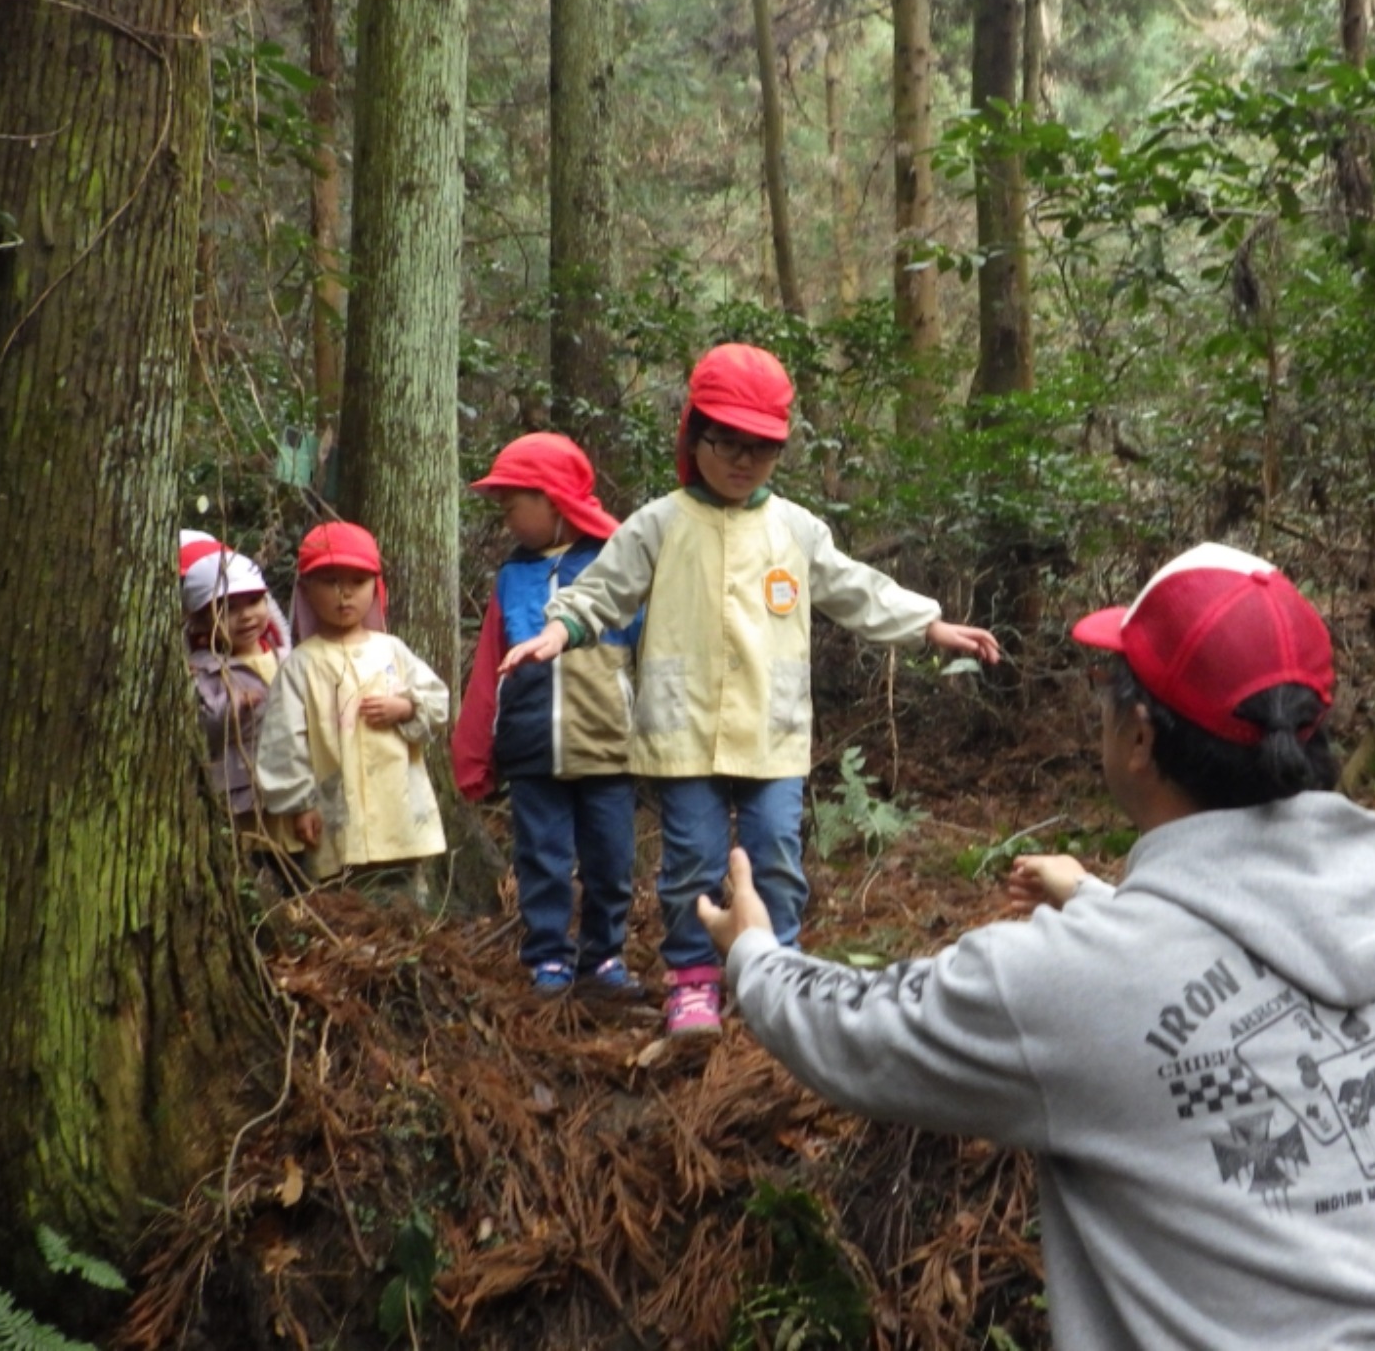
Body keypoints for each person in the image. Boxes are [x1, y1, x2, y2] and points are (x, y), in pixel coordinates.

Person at [698, 542, 1375, 1350]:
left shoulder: (1062, 984)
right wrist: (1096, 897)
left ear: (1141, 736)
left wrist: (754, 956)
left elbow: (859, 1033)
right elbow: (1218, 976)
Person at [510, 342, 1002, 1039]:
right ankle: (692, 978)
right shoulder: (660, 522)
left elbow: (854, 588)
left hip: (772, 731)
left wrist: (929, 625)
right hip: (682, 731)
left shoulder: (794, 528)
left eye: (761, 449)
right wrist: (560, 630)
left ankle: (777, 972)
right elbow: (603, 591)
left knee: (776, 851)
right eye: (727, 443)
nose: (742, 461)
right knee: (691, 862)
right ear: (694, 435)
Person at [453, 433, 646, 1000]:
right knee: (541, 857)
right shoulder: (513, 577)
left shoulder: (617, 565)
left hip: (607, 743)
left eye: (514, 504)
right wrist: (473, 754)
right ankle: (549, 960)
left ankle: (604, 956)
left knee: (611, 858)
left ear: (554, 500)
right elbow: (490, 665)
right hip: (532, 747)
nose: (506, 518)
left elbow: (653, 655)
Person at [255, 520, 449, 879]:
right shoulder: (301, 664)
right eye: (330, 582)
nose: (344, 594)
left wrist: (406, 708)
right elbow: (284, 740)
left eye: (357, 582)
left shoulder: (392, 650)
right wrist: (301, 804)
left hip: (397, 810)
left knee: (399, 886)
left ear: (375, 589)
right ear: (307, 590)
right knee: (343, 891)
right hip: (334, 813)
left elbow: (437, 700)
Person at [182, 542, 313, 874]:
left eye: (254, 601)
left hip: (294, 791)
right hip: (243, 799)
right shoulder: (203, 671)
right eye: (227, 607)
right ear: (199, 621)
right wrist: (232, 706)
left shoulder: (286, 659)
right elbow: (198, 726)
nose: (246, 617)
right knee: (255, 865)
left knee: (297, 868)